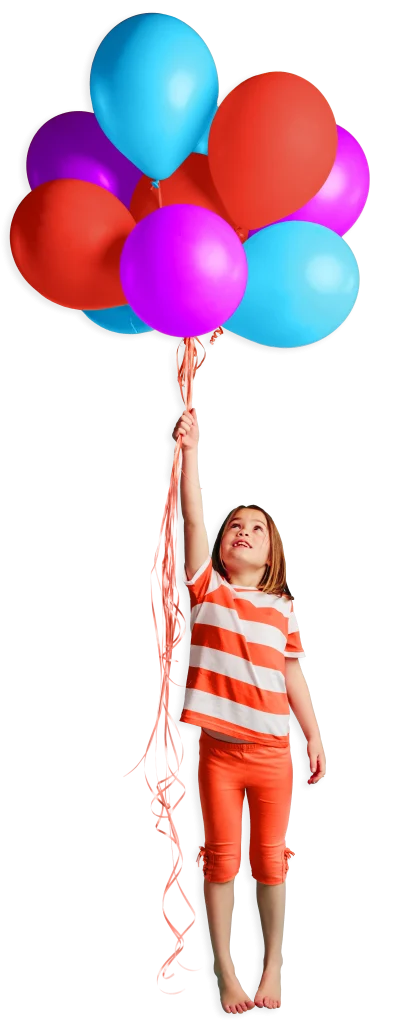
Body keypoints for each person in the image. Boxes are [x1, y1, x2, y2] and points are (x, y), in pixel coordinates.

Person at [172, 408, 326, 1013]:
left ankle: (272, 968)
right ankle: (227, 975)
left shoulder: (283, 610)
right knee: (221, 861)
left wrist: (312, 734)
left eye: (256, 530)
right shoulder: (207, 585)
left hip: (271, 751)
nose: (241, 532)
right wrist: (191, 449)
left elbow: (292, 673)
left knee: (270, 863)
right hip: (218, 752)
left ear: (272, 554)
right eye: (234, 525)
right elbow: (192, 513)